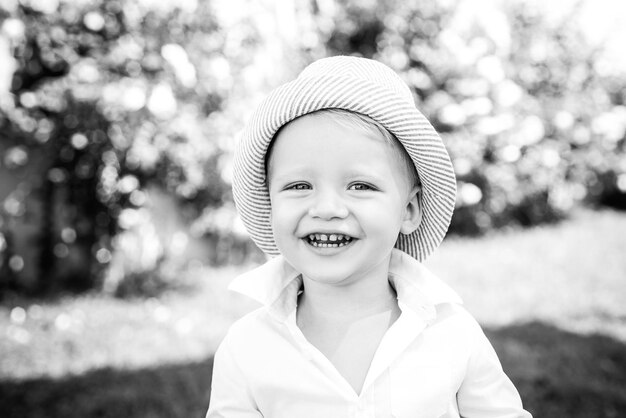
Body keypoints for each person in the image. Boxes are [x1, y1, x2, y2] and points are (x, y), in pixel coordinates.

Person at [206, 56, 532, 418]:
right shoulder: (248, 348)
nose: (327, 208)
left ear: (408, 211)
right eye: (299, 185)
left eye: (360, 185)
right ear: (270, 205)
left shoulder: (452, 333)